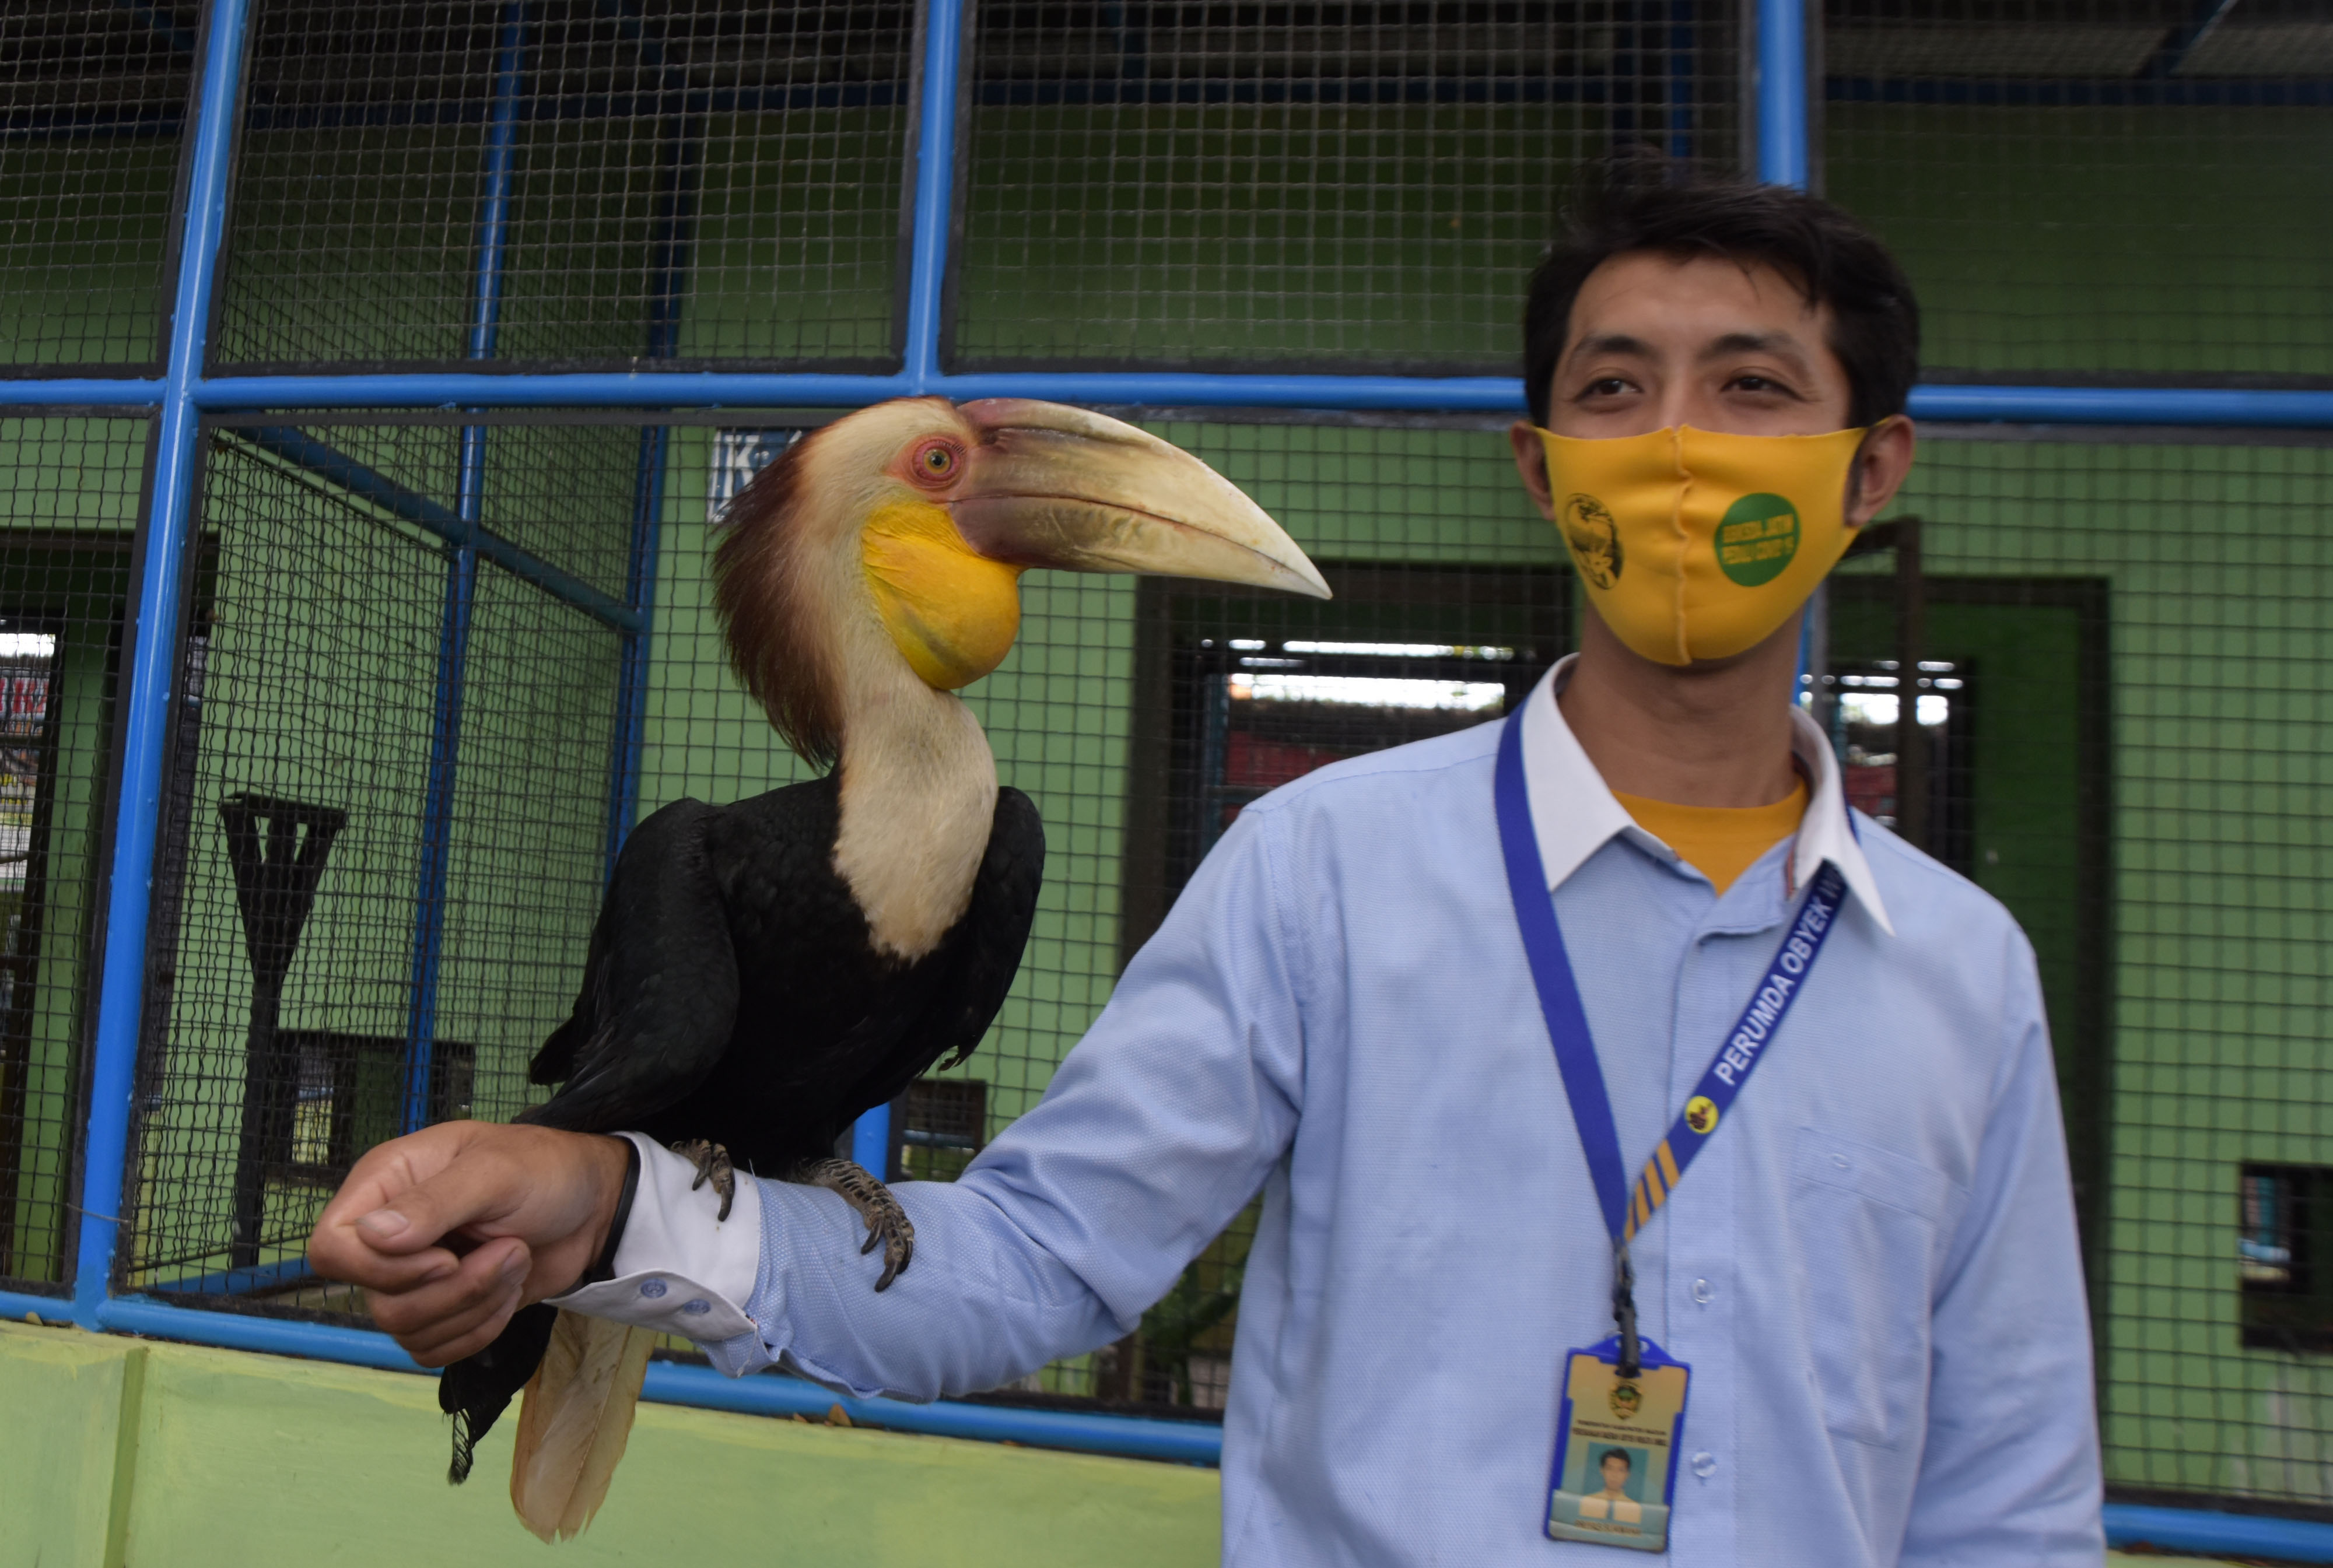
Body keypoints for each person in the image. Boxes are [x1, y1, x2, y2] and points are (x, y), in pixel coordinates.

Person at [311, 158, 2104, 1563]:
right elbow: (1037, 1260)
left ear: (1867, 469)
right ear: (1539, 462)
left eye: (1751, 385)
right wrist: (617, 1197)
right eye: (1616, 387)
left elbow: (2007, 1483)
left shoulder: (1961, 970)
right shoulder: (1322, 866)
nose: (1678, 443)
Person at [1578, 1450, 1641, 1524]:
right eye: (1610, 1469)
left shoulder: (1635, 1509)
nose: (1614, 1475)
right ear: (1602, 1471)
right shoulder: (1587, 1502)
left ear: (1628, 1474)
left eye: (1621, 1470)